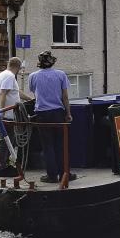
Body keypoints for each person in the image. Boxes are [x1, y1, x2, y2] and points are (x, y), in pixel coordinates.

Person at [27, 51, 73, 184]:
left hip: (42, 113)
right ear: (52, 62)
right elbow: (65, 96)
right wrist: (68, 113)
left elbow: (34, 91)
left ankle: (51, 175)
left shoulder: (33, 76)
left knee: (47, 146)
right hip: (58, 112)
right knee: (61, 144)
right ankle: (65, 173)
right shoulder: (60, 74)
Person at [0, 57, 32, 177]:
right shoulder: (9, 76)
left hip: (5, 114)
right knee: (6, 141)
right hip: (6, 115)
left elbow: (16, 92)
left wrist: (30, 99)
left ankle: (5, 164)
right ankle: (2, 167)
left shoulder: (3, 75)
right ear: (18, 67)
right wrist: (3, 112)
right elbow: (2, 93)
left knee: (10, 140)